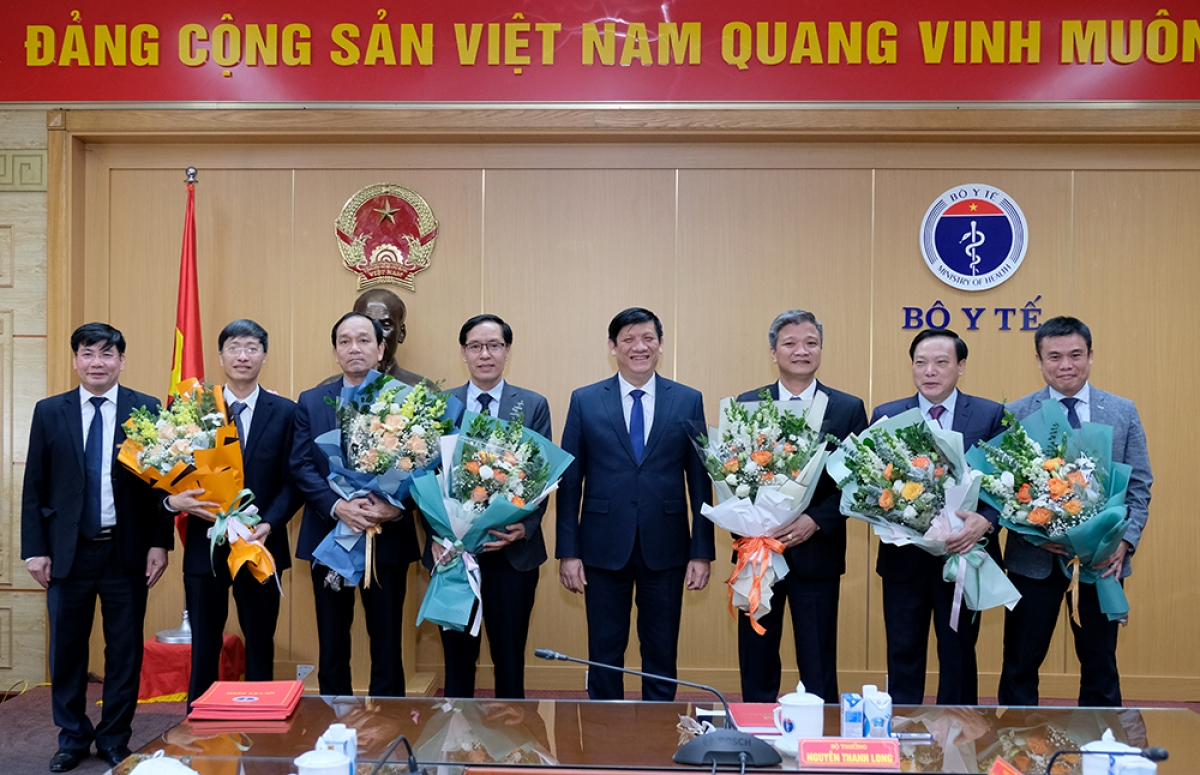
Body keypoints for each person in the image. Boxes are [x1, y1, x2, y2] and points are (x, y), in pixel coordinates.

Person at [21, 323, 172, 772]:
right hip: (66, 552)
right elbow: (35, 484)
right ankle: (72, 737)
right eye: (88, 353)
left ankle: (114, 737)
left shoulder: (146, 409)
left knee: (124, 650)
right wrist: (35, 549)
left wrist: (159, 542)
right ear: (75, 360)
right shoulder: (50, 411)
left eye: (107, 354)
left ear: (122, 361)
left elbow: (162, 483)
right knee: (67, 651)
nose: (97, 363)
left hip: (126, 550)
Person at [556, 307, 714, 700]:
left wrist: (702, 552)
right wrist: (568, 552)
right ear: (613, 347)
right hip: (601, 547)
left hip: (668, 547)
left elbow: (700, 482)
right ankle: (604, 729)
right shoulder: (585, 400)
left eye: (647, 338)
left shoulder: (688, 400)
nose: (639, 347)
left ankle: (658, 729)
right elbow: (570, 483)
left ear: (660, 345)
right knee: (604, 652)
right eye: (628, 339)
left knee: (661, 650)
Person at [998, 316, 1152, 707]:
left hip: (1101, 562)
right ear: (1038, 360)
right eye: (1054, 356)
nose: (1066, 365)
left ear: (1090, 355)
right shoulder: (1015, 413)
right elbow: (1003, 489)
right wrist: (1035, 534)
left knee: (1101, 667)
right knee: (1019, 666)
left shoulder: (1122, 411)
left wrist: (1125, 543)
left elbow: (1139, 485)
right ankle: (1016, 745)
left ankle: (1100, 742)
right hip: (1033, 564)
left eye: (1075, 355)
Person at [165, 319, 303, 705]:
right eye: (235, 348)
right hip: (205, 545)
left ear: (264, 355)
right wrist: (183, 500)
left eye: (252, 348)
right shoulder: (194, 409)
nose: (243, 356)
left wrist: (269, 524)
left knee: (260, 642)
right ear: (221, 355)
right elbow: (171, 469)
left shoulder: (287, 412)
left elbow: (294, 481)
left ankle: (261, 721)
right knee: (204, 644)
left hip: (260, 545)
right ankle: (199, 720)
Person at [735, 309, 867, 704]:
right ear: (773, 352)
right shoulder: (748, 404)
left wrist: (816, 520)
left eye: (811, 343)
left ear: (821, 349)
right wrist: (751, 523)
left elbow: (859, 482)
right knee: (757, 651)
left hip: (817, 552)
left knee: (818, 658)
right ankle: (756, 730)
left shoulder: (847, 408)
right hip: (759, 551)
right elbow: (732, 473)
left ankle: (820, 734)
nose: (801, 351)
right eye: (790, 343)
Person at [870, 328, 1005, 705]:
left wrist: (986, 520)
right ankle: (901, 730)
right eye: (921, 362)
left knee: (958, 654)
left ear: (961, 366)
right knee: (902, 652)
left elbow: (1004, 485)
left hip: (963, 554)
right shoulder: (887, 415)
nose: (930, 371)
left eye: (941, 362)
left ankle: (959, 737)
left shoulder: (989, 415)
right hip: (904, 559)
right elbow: (871, 484)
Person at [291, 312, 420, 696]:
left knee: (387, 643)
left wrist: (397, 507)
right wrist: (337, 506)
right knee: (332, 642)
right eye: (345, 341)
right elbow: (300, 465)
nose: (354, 348)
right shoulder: (311, 400)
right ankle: (334, 719)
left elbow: (425, 467)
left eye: (364, 340)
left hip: (386, 538)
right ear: (335, 352)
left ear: (381, 349)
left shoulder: (408, 401)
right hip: (329, 536)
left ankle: (390, 723)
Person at [431, 314, 552, 699]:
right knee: (457, 663)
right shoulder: (441, 405)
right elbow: (424, 475)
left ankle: (510, 737)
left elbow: (543, 476)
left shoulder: (533, 404)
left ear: (507, 350)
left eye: (494, 345)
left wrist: (524, 527)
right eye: (476, 346)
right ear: (463, 352)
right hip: (454, 554)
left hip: (511, 552)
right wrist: (436, 535)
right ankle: (455, 736)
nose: (485, 354)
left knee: (509, 661)